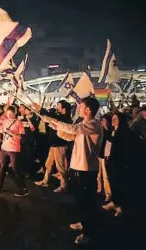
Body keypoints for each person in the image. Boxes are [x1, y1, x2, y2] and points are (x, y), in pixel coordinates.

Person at [42, 97, 103, 246]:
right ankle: (84, 223)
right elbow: (70, 136)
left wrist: (53, 120)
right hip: (77, 167)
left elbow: (73, 129)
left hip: (87, 169)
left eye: (80, 106)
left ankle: (89, 233)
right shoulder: (84, 123)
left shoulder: (94, 124)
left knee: (87, 201)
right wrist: (56, 128)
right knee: (80, 199)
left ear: (88, 110)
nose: (78, 108)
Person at [34, 100, 72, 192]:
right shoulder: (59, 117)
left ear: (64, 109)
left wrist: (40, 109)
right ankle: (45, 180)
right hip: (54, 144)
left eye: (59, 106)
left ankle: (63, 185)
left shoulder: (65, 119)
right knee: (48, 164)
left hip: (60, 145)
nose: (57, 108)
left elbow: (51, 117)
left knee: (60, 166)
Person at [0, 105, 28, 197]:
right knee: (2, 168)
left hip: (14, 148)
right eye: (7, 114)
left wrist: (12, 133)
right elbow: (1, 132)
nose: (9, 115)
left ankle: (22, 189)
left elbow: (22, 136)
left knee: (15, 169)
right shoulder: (4, 122)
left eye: (11, 114)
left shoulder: (18, 123)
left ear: (15, 113)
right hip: (4, 147)